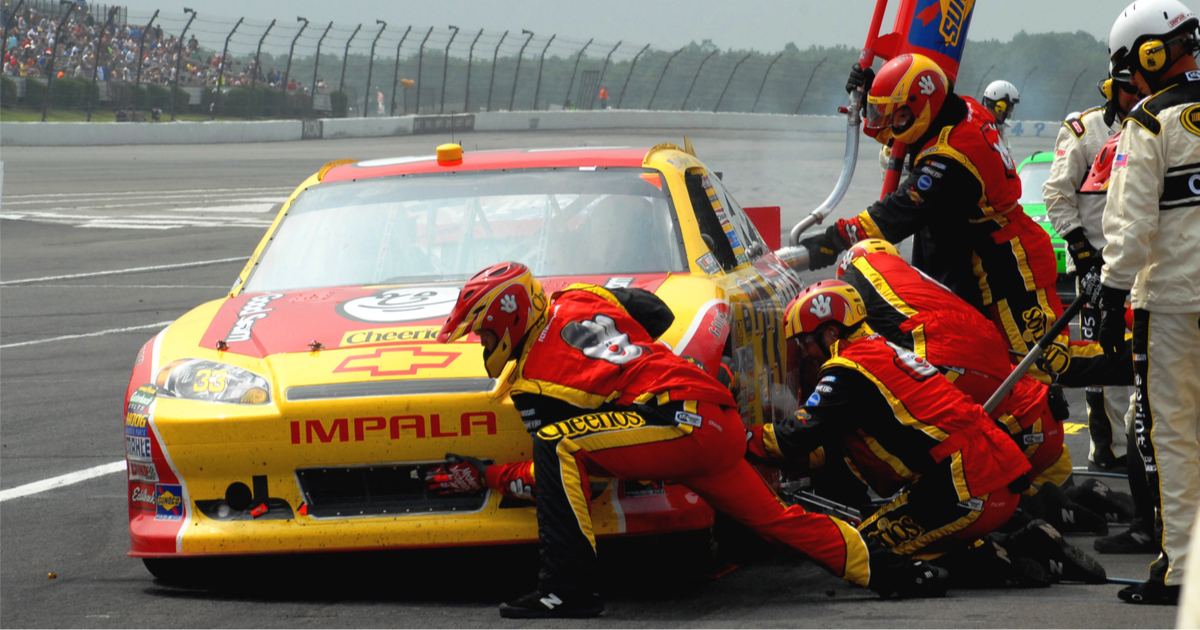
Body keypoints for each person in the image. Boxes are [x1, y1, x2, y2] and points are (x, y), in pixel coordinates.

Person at [431, 262, 948, 618]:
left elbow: (566, 482)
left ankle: (566, 590)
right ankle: (897, 574)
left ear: (506, 318)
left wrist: (487, 475)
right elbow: (655, 313)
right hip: (714, 418)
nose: (482, 343)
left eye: (482, 333)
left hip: (677, 423)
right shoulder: (580, 297)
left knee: (557, 444)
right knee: (780, 522)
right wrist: (629, 369)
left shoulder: (533, 385)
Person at [744, 280, 1105, 584]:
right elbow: (830, 446)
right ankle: (1028, 541)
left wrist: (741, 438)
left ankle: (999, 561)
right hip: (991, 471)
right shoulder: (878, 350)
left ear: (831, 333)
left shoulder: (847, 369)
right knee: (910, 533)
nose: (804, 353)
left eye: (805, 342)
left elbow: (796, 436)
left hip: (968, 481)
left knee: (860, 550)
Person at [802, 54, 1062, 380]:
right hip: (973, 255)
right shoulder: (955, 109)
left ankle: (1114, 366)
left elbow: (894, 216)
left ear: (921, 108)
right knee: (986, 366)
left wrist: (830, 242)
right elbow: (896, 134)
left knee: (1036, 366)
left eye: (899, 114)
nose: (893, 124)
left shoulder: (952, 155)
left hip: (1009, 265)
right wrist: (872, 99)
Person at [1098, 0, 1200, 605]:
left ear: (1151, 54)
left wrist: (1111, 294)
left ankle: (1183, 569)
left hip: (1173, 303)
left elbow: (1132, 229)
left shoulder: (1150, 122)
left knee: (1176, 435)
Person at [833, 240, 1071, 490]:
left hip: (944, 356)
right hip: (1018, 386)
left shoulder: (860, 273)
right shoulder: (913, 280)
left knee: (868, 401)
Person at [1043, 74, 1142, 474]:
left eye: (1142, 87)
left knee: (1145, 359)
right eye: (1130, 87)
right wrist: (1083, 253)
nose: (1137, 94)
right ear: (1112, 87)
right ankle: (1107, 450)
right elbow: (1055, 195)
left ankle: (1137, 447)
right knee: (1105, 358)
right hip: (1096, 270)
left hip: (1142, 265)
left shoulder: (1157, 124)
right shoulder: (1084, 130)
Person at [982, 79, 1020, 153]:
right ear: (1001, 106)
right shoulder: (986, 130)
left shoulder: (997, 128)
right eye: (1011, 105)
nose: (1012, 109)